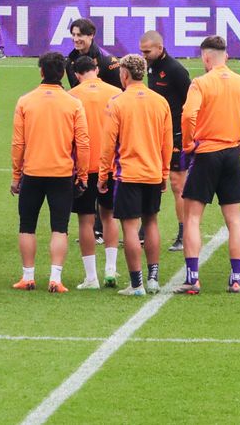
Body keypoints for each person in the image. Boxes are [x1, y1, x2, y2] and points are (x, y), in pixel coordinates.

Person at [177, 35, 240, 295]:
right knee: (233, 220)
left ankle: (193, 278)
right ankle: (235, 279)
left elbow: (188, 115)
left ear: (206, 58)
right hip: (232, 153)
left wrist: (188, 143)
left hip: (207, 152)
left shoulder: (200, 83)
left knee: (193, 218)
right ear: (227, 58)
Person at [11, 52, 90, 293]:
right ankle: (55, 278)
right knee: (60, 227)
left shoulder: (25, 101)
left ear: (41, 72)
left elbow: (18, 144)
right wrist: (83, 175)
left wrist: (16, 175)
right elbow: (83, 143)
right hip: (62, 173)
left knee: (27, 225)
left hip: (32, 172)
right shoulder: (73, 103)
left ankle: (28, 276)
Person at [99, 54, 173, 297]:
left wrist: (102, 175)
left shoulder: (118, 102)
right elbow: (167, 142)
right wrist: (164, 172)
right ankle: (153, 279)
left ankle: (136, 283)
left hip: (127, 174)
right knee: (151, 222)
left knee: (130, 229)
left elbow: (108, 144)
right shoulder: (160, 101)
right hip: (152, 172)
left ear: (125, 74)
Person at [68, 55, 122, 290]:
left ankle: (91, 277)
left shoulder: (71, 96)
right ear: (97, 69)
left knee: (85, 220)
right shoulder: (115, 93)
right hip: (110, 164)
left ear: (77, 75)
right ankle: (111, 268)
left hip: (84, 165)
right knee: (110, 216)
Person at [139, 30, 192, 253]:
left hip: (176, 135)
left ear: (160, 48)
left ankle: (184, 233)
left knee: (177, 184)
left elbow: (190, 103)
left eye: (147, 51)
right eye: (142, 51)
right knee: (148, 177)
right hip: (155, 133)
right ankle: (144, 228)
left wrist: (185, 133)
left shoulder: (176, 70)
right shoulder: (150, 67)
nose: (143, 55)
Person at [65, 17, 122, 89]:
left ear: (91, 35)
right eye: (73, 35)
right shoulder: (70, 62)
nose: (75, 39)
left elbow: (121, 92)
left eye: (80, 35)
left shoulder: (108, 61)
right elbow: (75, 91)